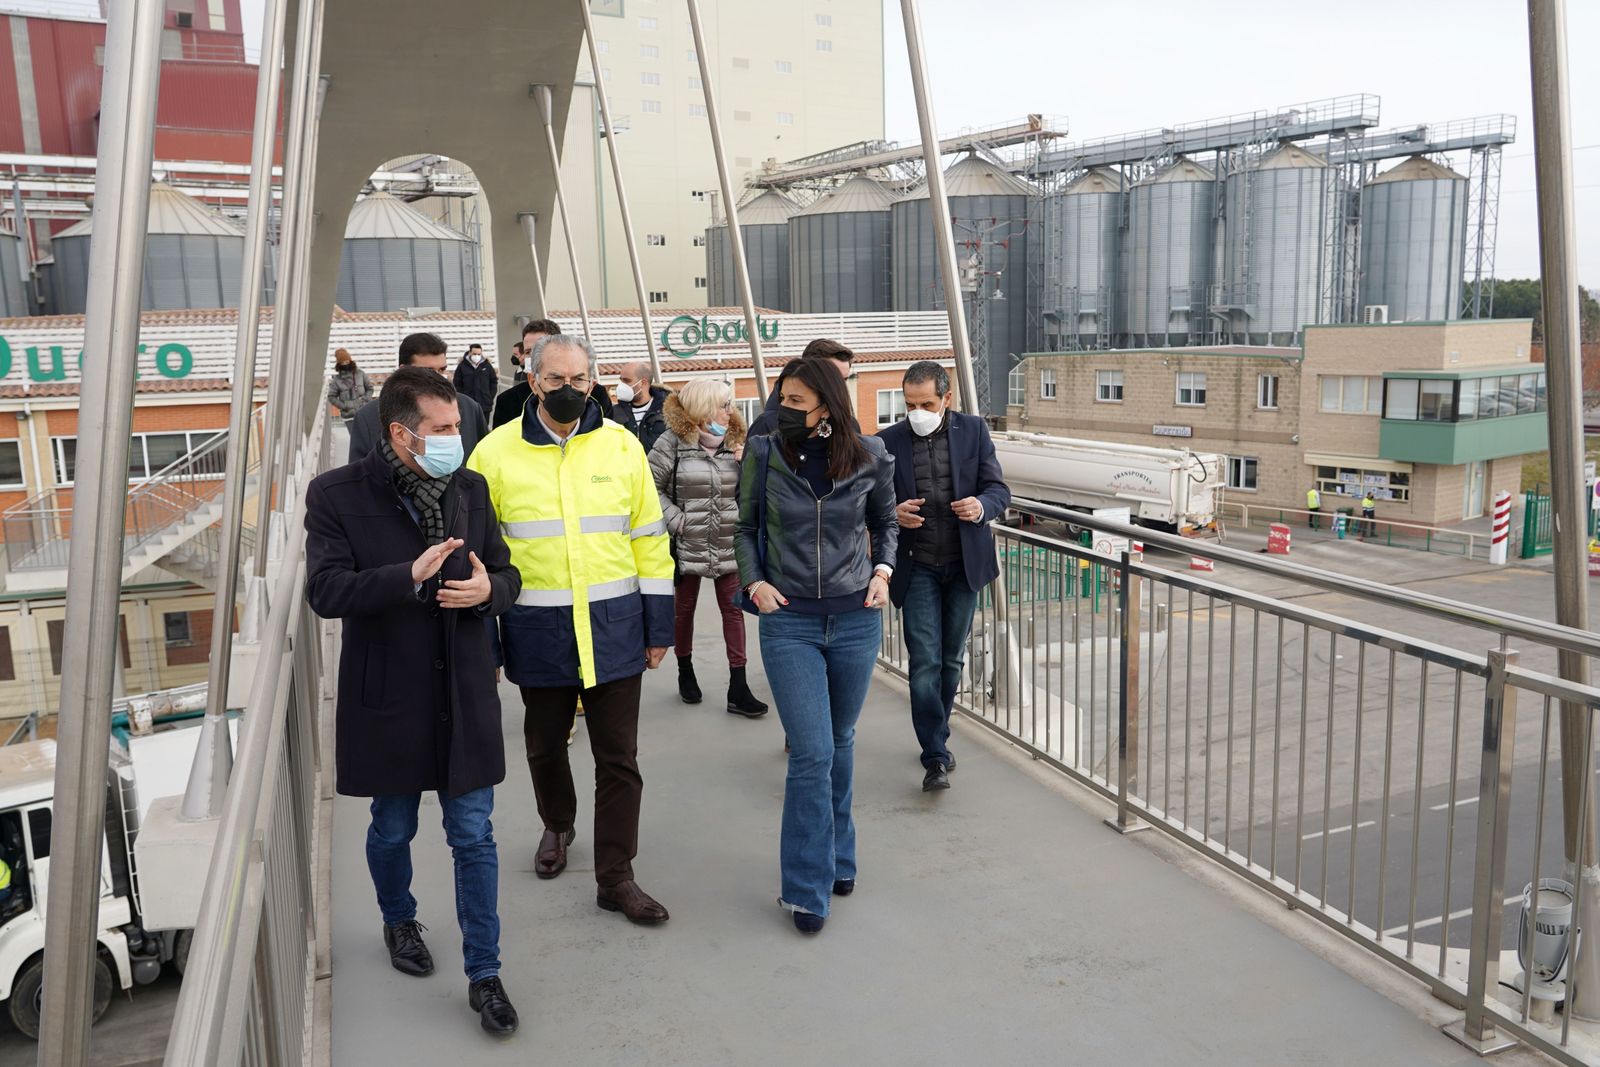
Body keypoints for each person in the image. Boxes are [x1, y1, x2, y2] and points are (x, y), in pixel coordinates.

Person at [304, 367, 523, 1036]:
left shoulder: (470, 488)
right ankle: (399, 917)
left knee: (473, 834)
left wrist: (489, 593)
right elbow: (327, 591)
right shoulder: (335, 493)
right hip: (390, 694)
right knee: (392, 827)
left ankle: (485, 972)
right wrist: (408, 576)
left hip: (462, 685)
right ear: (401, 433)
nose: (458, 437)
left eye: (458, 424)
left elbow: (506, 569)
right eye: (445, 428)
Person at [468, 333, 675, 926]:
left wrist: (658, 626)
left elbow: (649, 542)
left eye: (579, 380)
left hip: (615, 630)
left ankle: (617, 876)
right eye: (556, 380)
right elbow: (480, 558)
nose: (569, 390)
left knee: (619, 759)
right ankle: (557, 824)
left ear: (594, 382)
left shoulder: (622, 449)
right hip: (537, 630)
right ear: (532, 381)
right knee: (543, 746)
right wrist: (490, 641)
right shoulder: (494, 453)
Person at [736, 357, 897, 935]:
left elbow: (887, 524)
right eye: (782, 396)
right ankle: (807, 888)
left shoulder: (872, 456)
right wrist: (754, 583)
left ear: (827, 405)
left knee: (840, 740)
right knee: (812, 752)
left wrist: (882, 573)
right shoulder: (764, 451)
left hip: (856, 619)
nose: (783, 408)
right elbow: (745, 527)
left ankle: (839, 859)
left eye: (796, 400)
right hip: (790, 622)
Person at [878, 361, 1011, 791]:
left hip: (963, 566)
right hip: (915, 566)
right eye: (910, 403)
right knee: (925, 661)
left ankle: (939, 731)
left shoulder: (973, 431)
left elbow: (999, 490)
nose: (917, 411)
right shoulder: (886, 442)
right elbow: (871, 504)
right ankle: (934, 754)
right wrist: (891, 514)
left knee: (952, 659)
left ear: (946, 399)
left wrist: (981, 507)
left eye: (926, 403)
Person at [648, 378, 767, 717]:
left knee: (733, 610)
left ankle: (738, 686)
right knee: (683, 610)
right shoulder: (671, 442)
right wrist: (678, 521)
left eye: (729, 404)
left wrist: (749, 466)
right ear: (702, 407)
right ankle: (685, 671)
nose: (730, 412)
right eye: (723, 404)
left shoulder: (739, 442)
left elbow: (755, 492)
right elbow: (647, 485)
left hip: (729, 540)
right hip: (687, 542)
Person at [349, 333, 490, 463]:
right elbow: (359, 476)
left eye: (441, 370)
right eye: (428, 371)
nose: (436, 377)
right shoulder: (368, 417)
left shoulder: (470, 408)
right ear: (403, 370)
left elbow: (484, 461)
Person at [491, 320, 615, 429]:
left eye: (540, 349)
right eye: (528, 352)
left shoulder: (596, 395)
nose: (535, 356)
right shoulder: (508, 401)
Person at [747, 338, 856, 436]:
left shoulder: (849, 424)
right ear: (806, 371)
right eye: (832, 377)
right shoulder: (767, 425)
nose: (839, 386)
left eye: (844, 380)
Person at [613, 361, 670, 453]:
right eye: (621, 380)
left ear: (643, 383)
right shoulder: (614, 413)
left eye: (627, 381)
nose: (622, 386)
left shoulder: (668, 412)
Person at [327, 348, 373, 423]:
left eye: (346, 361)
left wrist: (365, 399)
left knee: (366, 434)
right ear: (339, 364)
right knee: (354, 435)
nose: (345, 364)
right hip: (349, 416)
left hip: (364, 413)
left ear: (350, 360)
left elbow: (370, 389)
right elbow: (331, 397)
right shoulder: (337, 379)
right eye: (343, 362)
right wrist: (344, 406)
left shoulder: (360, 374)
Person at [453, 342, 498, 416]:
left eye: (479, 354)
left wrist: (490, 397)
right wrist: (463, 397)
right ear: (470, 352)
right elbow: (457, 383)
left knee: (484, 426)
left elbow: (493, 381)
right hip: (468, 404)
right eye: (474, 354)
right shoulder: (462, 366)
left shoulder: (487, 365)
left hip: (485, 404)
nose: (476, 356)